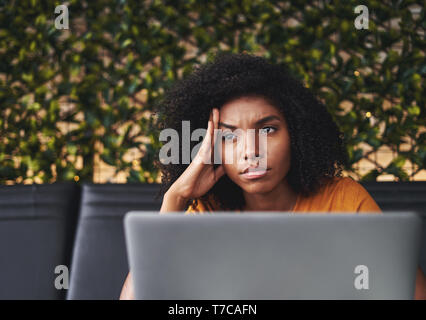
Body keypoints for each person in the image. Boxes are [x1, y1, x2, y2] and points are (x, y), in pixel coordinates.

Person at [120, 52, 425, 299]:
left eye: (267, 129)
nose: (251, 151)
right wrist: (176, 197)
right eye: (228, 137)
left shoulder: (343, 199)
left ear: (296, 134)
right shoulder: (206, 211)